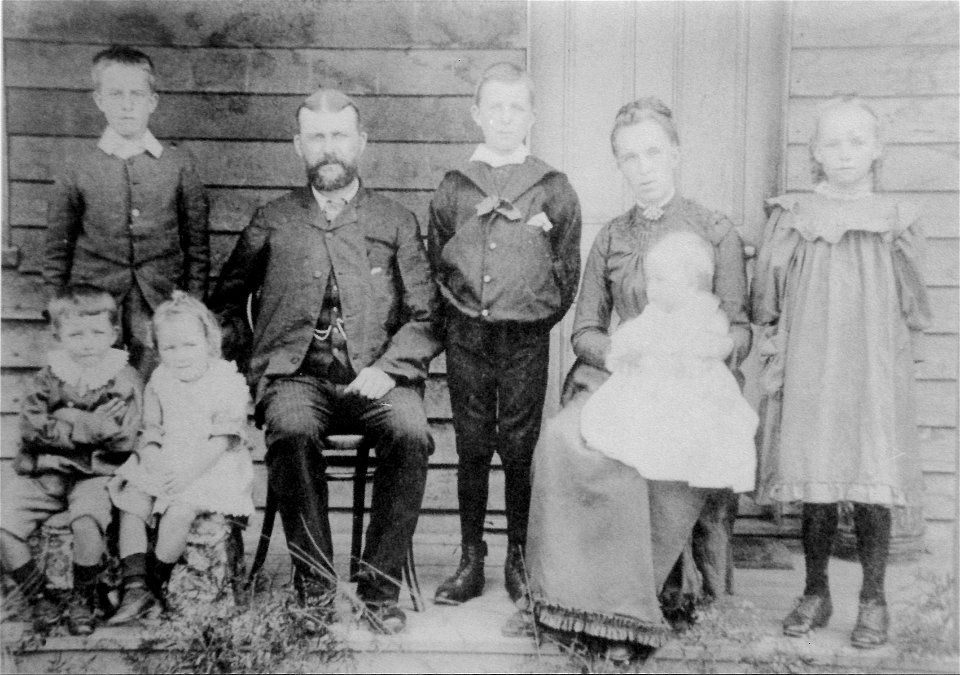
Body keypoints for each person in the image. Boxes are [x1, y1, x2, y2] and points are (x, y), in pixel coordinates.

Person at [208, 88, 441, 635]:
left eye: (339, 135)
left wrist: (388, 369)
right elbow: (224, 303)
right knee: (289, 430)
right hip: (297, 378)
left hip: (377, 377)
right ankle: (313, 589)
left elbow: (427, 314)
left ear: (361, 143)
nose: (328, 147)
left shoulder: (395, 220)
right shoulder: (274, 218)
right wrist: (256, 366)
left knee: (411, 433)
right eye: (317, 136)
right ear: (298, 145)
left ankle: (377, 590)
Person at [526, 97, 751, 661]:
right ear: (619, 166)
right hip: (621, 374)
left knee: (648, 455)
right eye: (630, 158)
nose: (644, 166)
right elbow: (585, 331)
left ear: (674, 152)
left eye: (653, 152)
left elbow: (739, 327)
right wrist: (623, 354)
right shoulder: (610, 237)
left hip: (691, 383)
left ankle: (631, 606)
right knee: (560, 441)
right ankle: (570, 600)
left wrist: (703, 351)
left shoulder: (713, 230)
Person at [751, 96, 930, 649]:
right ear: (814, 152)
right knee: (819, 475)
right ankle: (815, 589)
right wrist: (776, 342)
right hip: (813, 359)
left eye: (857, 141)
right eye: (831, 142)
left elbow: (913, 302)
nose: (845, 154)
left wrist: (899, 353)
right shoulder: (794, 217)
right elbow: (769, 296)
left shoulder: (895, 221)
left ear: (878, 150)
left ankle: (873, 598)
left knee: (873, 473)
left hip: (874, 364)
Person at [427, 62, 581, 607]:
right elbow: (436, 261)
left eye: (517, 107)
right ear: (477, 113)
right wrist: (462, 316)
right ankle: (472, 557)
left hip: (525, 340)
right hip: (467, 337)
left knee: (519, 446)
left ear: (532, 116)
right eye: (495, 107)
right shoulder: (453, 187)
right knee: (472, 445)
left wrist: (533, 319)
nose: (505, 117)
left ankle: (518, 553)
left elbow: (566, 269)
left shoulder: (553, 187)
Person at [43, 45, 210, 379]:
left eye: (136, 94)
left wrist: (190, 305)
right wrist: (58, 309)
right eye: (115, 94)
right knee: (100, 386)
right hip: (94, 305)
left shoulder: (178, 165)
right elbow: (56, 249)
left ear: (152, 101)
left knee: (156, 384)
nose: (127, 104)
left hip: (158, 301)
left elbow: (197, 247)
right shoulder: (77, 167)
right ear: (99, 100)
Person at [0, 285, 142, 635]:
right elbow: (31, 426)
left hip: (94, 473)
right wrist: (87, 425)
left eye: (97, 333)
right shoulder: (50, 376)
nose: (87, 342)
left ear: (113, 333)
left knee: (86, 523)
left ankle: (83, 598)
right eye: (76, 334)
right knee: (4, 524)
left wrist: (62, 418)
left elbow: (123, 435)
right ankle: (40, 597)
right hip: (45, 470)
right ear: (59, 335)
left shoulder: (123, 376)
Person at [106, 292, 253, 624]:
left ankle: (154, 585)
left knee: (180, 511)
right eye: (170, 348)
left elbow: (223, 439)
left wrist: (187, 474)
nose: (181, 355)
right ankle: (134, 585)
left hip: (210, 465)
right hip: (168, 459)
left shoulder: (225, 379)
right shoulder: (160, 379)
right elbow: (151, 430)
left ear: (208, 341)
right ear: (158, 351)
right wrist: (153, 457)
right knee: (132, 502)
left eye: (189, 345)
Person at [580, 230, 756, 493]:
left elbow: (707, 345)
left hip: (689, 393)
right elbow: (629, 338)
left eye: (661, 280)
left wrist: (699, 349)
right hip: (652, 390)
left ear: (690, 283)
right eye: (650, 281)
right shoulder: (654, 314)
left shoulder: (703, 314)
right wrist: (626, 351)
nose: (652, 289)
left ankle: (681, 492)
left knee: (690, 440)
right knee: (632, 436)